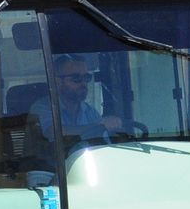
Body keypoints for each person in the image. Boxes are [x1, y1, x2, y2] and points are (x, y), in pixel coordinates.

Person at [23, 54, 121, 186]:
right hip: (49, 176)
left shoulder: (91, 112)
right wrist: (99, 125)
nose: (83, 84)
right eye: (76, 78)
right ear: (57, 81)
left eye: (86, 78)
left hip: (87, 172)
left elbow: (103, 145)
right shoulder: (42, 107)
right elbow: (52, 133)